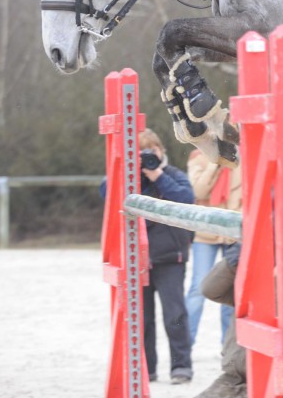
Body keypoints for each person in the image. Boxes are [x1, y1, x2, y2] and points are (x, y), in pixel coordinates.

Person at [99, 128, 195, 385]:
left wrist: (158, 175)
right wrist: (126, 171)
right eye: (142, 153)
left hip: (170, 258)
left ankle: (181, 367)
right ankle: (147, 369)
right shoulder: (128, 181)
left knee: (175, 316)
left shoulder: (173, 175)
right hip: (136, 260)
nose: (149, 156)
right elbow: (105, 193)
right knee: (143, 318)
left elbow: (186, 201)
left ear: (161, 150)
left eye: (153, 151)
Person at [194, 236, 283, 398]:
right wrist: (233, 264)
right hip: (232, 379)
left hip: (273, 386)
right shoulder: (254, 284)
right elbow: (210, 290)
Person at [184, 149, 241, 349]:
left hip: (233, 232)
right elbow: (198, 191)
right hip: (205, 232)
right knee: (198, 289)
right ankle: (184, 346)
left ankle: (228, 347)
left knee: (231, 291)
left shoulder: (243, 158)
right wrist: (215, 161)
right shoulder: (198, 157)